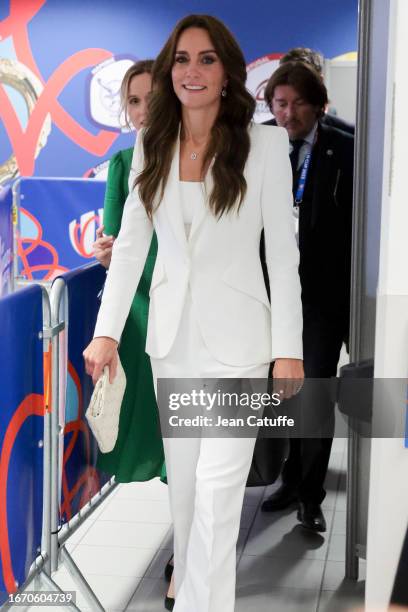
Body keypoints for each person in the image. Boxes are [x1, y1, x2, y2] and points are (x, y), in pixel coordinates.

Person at [84, 14, 304, 612]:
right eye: (182, 59)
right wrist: (106, 335)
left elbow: (283, 256)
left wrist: (290, 347)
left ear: (227, 72)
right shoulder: (151, 145)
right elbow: (129, 248)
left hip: (241, 344)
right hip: (171, 345)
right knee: (184, 495)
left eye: (207, 59)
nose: (193, 70)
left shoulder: (263, 146)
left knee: (217, 490)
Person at [91, 60, 175, 592]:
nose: (142, 111)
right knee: (153, 429)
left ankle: (188, 553)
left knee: (187, 442)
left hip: (194, 318)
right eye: (133, 101)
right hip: (138, 313)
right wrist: (106, 252)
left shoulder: (196, 156)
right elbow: (113, 238)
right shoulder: (123, 162)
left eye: (150, 98)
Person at [261, 61, 354, 532]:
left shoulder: (346, 148)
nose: (289, 112)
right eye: (280, 103)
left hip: (322, 297)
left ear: (318, 104)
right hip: (272, 297)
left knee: (314, 392)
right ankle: (289, 478)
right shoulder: (259, 145)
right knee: (283, 395)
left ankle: (311, 496)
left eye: (298, 102)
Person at [264, 47, 355, 135]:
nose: (290, 114)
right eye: (284, 76)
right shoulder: (258, 136)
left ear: (319, 80)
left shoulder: (352, 138)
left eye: (300, 102)